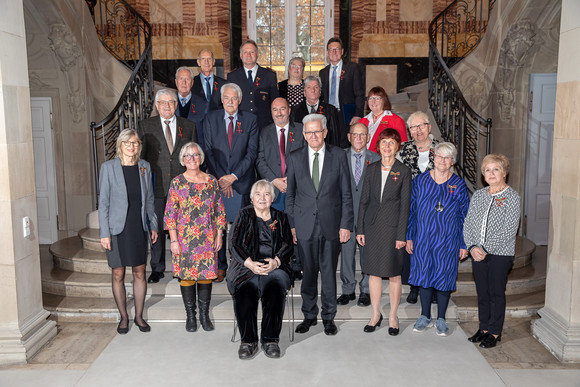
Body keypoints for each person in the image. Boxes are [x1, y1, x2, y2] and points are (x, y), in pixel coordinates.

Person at [286, 113, 353, 336]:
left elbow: (346, 193)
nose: (313, 135)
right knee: (309, 273)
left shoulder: (338, 156)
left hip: (331, 225)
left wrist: (345, 224)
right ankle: (309, 315)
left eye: (317, 131)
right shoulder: (294, 157)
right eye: (309, 132)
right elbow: (291, 195)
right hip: (304, 225)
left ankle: (328, 317)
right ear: (304, 135)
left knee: (327, 272)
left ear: (325, 132)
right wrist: (293, 225)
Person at [406, 142, 470, 336]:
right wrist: (409, 236)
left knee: (444, 277)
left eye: (447, 157)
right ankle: (425, 316)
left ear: (452, 161)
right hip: (423, 237)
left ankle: (441, 318)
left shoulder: (458, 184)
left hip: (448, 240)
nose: (443, 161)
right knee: (424, 277)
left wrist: (463, 243)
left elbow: (464, 216)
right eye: (440, 156)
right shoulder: (421, 181)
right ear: (434, 157)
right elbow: (412, 211)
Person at [98, 129, 158, 334]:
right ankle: (124, 318)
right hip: (116, 229)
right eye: (127, 142)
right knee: (118, 273)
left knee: (140, 272)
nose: (131, 146)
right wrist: (104, 233)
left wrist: (153, 225)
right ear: (120, 145)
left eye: (135, 142)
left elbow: (149, 200)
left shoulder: (145, 167)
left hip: (138, 227)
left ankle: (139, 316)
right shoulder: (108, 168)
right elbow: (103, 202)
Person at [227, 180, 294, 359]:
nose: (262, 198)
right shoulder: (244, 214)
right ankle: (248, 341)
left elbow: (288, 243)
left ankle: (270, 340)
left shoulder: (281, 217)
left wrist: (277, 262)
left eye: (266, 194)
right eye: (258, 194)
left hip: (275, 267)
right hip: (246, 267)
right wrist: (249, 263)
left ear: (272, 198)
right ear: (252, 198)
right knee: (245, 291)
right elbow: (233, 243)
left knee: (274, 290)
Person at [164, 142, 226, 332]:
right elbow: (170, 214)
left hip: (207, 237)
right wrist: (173, 240)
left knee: (206, 276)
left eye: (195, 155)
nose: (192, 159)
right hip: (184, 239)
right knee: (187, 277)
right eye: (188, 156)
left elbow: (219, 210)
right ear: (183, 160)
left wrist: (219, 235)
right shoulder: (177, 182)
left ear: (201, 158)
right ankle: (191, 315)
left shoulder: (211, 181)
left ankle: (204, 315)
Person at [138, 88, 197, 283]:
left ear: (176, 104)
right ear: (156, 106)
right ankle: (157, 268)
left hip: (183, 188)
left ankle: (182, 267)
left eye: (170, 102)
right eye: (162, 103)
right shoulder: (145, 126)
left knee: (182, 229)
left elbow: (195, 156)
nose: (167, 106)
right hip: (156, 186)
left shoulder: (188, 126)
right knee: (156, 228)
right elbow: (141, 159)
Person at [356, 129, 411, 336]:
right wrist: (360, 228)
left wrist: (401, 236)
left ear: (397, 146)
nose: (387, 147)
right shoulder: (371, 169)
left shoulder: (403, 171)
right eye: (384, 142)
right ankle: (375, 314)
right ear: (377, 146)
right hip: (371, 228)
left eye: (391, 143)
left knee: (394, 274)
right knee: (374, 273)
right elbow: (364, 201)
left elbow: (405, 206)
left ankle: (393, 316)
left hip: (392, 229)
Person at [203, 83, 258, 281]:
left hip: (241, 182)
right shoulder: (210, 119)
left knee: (239, 228)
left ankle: (239, 264)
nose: (230, 102)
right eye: (226, 98)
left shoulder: (250, 120)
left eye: (234, 98)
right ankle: (220, 265)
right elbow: (207, 151)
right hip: (218, 182)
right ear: (221, 99)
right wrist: (221, 179)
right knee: (218, 225)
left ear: (240, 100)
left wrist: (233, 177)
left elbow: (251, 153)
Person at [464, 154, 520, 348]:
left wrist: (484, 248)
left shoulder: (511, 197)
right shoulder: (479, 195)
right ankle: (484, 328)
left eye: (496, 169)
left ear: (504, 172)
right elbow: (468, 223)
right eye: (487, 170)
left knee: (496, 293)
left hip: (500, 254)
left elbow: (509, 230)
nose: (491, 173)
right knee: (483, 292)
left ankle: (495, 332)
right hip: (477, 253)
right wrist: (472, 246)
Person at [397, 110, 439, 304]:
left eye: (422, 125)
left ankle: (432, 287)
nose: (418, 130)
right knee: (412, 247)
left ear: (429, 127)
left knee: (433, 248)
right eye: (414, 127)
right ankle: (415, 286)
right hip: (411, 207)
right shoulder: (403, 150)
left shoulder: (441, 149)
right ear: (410, 131)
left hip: (436, 208)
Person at [337, 123, 380, 307]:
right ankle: (348, 289)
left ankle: (365, 290)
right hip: (345, 215)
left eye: (362, 135)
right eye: (355, 135)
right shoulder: (339, 157)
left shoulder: (377, 159)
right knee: (346, 254)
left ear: (368, 137)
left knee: (367, 254)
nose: (359, 138)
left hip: (368, 218)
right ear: (349, 137)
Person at [319, 37, 365, 148]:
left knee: (346, 147)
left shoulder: (352, 68)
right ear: (327, 52)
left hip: (347, 115)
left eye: (337, 49)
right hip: (328, 115)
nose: (334, 52)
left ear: (342, 51)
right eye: (331, 49)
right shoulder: (323, 72)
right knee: (330, 146)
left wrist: (358, 114)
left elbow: (359, 93)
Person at [227, 39, 279, 129]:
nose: (248, 55)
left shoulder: (269, 75)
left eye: (252, 52)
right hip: (240, 126)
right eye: (245, 52)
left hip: (264, 126)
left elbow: (275, 103)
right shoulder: (232, 76)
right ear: (241, 55)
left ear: (257, 54)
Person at [290, 76, 341, 147]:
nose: (312, 90)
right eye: (309, 87)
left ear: (320, 92)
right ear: (304, 92)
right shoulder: (295, 111)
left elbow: (335, 137)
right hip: (302, 152)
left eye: (316, 87)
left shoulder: (331, 110)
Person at [358, 86, 407, 154]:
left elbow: (402, 146)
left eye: (377, 98)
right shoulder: (361, 122)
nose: (373, 101)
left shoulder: (396, 121)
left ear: (384, 100)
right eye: (371, 98)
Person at [174, 66, 210, 149]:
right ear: (176, 82)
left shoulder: (203, 104)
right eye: (181, 79)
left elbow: (207, 135)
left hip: (195, 153)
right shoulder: (169, 103)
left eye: (187, 79)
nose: (184, 82)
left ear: (192, 83)